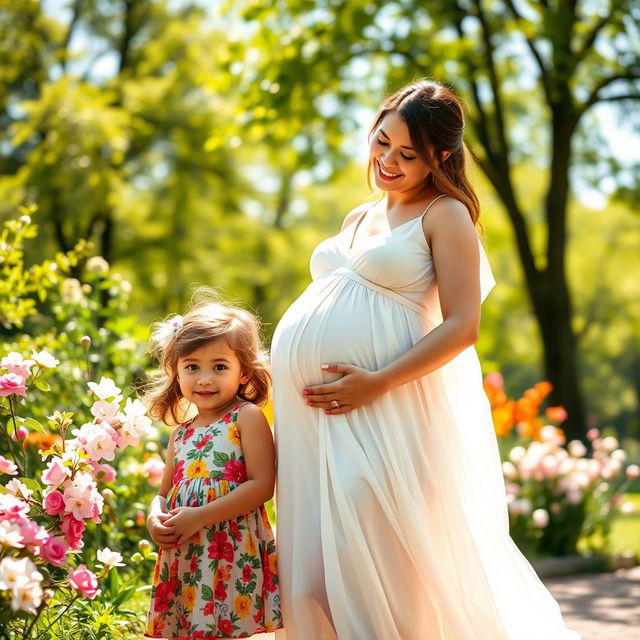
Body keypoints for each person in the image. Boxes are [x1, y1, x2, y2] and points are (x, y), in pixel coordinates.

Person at [270, 79, 580, 639]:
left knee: (381, 560)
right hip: (314, 419)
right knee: (312, 563)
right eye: (381, 142)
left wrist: (378, 382)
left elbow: (463, 326)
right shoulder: (357, 218)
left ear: (439, 156)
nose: (387, 160)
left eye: (406, 154)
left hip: (384, 411)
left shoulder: (444, 215)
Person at [143, 290, 283, 639]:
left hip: (228, 547)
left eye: (219, 367)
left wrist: (200, 517)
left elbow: (261, 486)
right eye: (192, 367)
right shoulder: (181, 433)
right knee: (191, 626)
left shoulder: (245, 417)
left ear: (244, 373)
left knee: (226, 627)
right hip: (187, 551)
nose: (204, 379)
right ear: (176, 372)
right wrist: (153, 515)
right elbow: (164, 493)